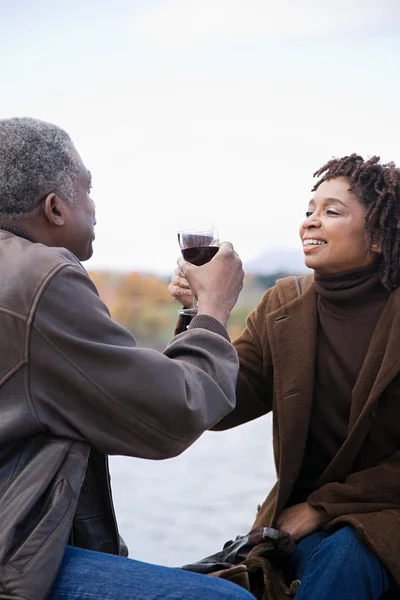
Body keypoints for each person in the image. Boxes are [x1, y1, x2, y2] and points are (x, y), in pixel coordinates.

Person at [0, 117, 254, 600]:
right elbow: (173, 410)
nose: (95, 208)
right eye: (87, 191)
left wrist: (192, 315)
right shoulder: (40, 277)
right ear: (55, 207)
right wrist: (215, 309)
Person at [169, 154, 400, 599]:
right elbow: (217, 405)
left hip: (382, 512)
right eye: (309, 210)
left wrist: (320, 507)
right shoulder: (283, 304)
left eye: (332, 211)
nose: (310, 223)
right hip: (298, 524)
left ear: (378, 236)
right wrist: (198, 313)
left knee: (348, 552)